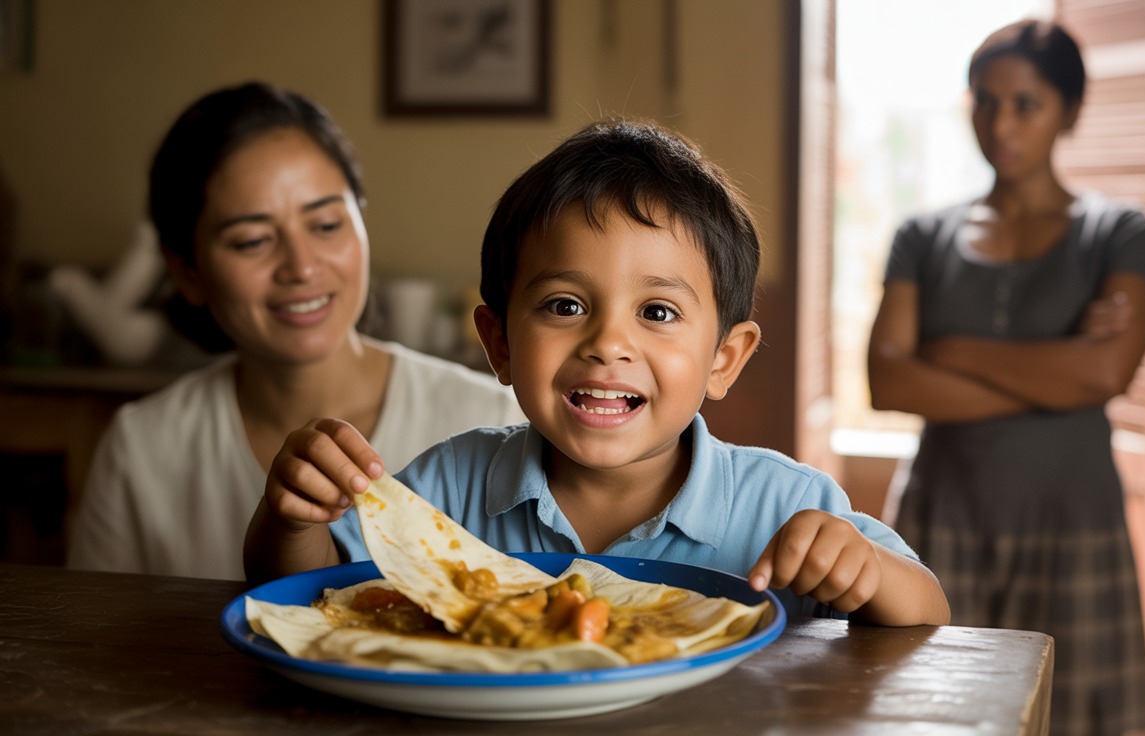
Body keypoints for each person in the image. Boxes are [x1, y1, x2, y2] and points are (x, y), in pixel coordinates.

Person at [244, 119, 951, 626]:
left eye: (658, 312)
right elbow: (307, 599)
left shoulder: (783, 505)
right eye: (564, 304)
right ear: (499, 344)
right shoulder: (447, 489)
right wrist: (290, 514)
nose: (608, 343)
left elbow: (929, 613)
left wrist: (868, 570)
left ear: (724, 359)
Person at [66, 82, 524, 580]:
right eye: (253, 240)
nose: (302, 267)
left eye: (326, 225)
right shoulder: (143, 447)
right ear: (187, 272)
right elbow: (101, 640)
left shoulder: (494, 418)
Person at [866, 19, 1145, 736]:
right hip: (943, 515)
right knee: (931, 710)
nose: (1001, 122)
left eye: (1026, 103)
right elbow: (888, 382)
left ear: (1070, 112)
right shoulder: (922, 236)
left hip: (1072, 517)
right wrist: (1058, 374)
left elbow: (1108, 370)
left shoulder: (1119, 233)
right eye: (985, 101)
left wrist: (952, 348)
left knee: (1077, 715)